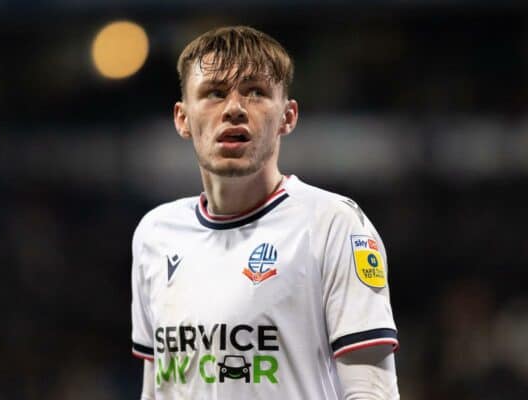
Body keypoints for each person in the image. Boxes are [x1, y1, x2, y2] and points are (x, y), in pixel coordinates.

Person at [131, 26, 400, 399]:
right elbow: (156, 386)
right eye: (214, 93)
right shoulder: (155, 234)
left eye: (256, 92)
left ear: (288, 116)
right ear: (182, 118)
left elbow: (373, 391)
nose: (234, 108)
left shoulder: (333, 224)